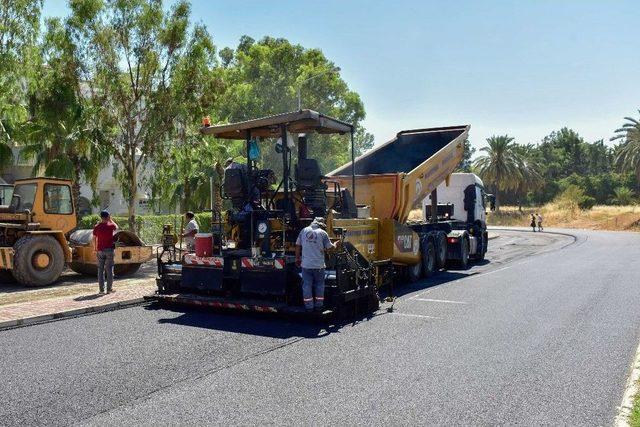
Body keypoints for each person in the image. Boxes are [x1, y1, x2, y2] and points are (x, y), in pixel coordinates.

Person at [295, 217, 336, 312]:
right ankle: (319, 306)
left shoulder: (304, 231)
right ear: (321, 225)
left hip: (306, 265)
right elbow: (330, 248)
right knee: (319, 285)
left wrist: (297, 258)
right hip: (319, 266)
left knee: (306, 286)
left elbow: (297, 245)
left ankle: (309, 307)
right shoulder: (322, 233)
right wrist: (336, 244)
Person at [92, 210, 118, 294]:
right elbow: (116, 227)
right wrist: (111, 220)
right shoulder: (110, 226)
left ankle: (101, 290)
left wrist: (94, 248)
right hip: (109, 250)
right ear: (108, 217)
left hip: (100, 250)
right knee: (109, 270)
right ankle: (109, 289)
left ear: (101, 217)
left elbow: (94, 238)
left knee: (100, 270)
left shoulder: (97, 226)